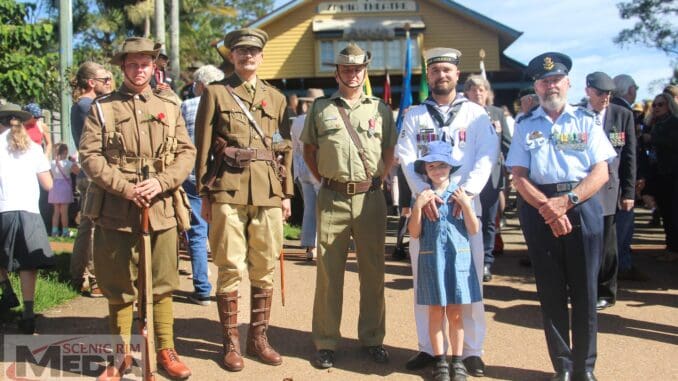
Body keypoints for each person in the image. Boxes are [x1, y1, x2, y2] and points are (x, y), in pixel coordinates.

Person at [79, 37, 195, 379]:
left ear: (154, 66)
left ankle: (165, 351)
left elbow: (186, 153)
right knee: (118, 287)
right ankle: (120, 357)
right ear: (122, 67)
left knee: (162, 284)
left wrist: (162, 182)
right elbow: (89, 157)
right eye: (132, 63)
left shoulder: (170, 106)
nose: (139, 69)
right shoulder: (102, 108)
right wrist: (126, 189)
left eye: (145, 63)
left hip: (161, 208)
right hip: (116, 208)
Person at [506, 52, 616, 381]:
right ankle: (564, 367)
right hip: (539, 206)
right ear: (536, 87)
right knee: (550, 292)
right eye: (544, 80)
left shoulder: (586, 120)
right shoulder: (525, 125)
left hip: (581, 207)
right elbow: (519, 176)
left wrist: (565, 202)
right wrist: (548, 208)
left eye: (556, 79)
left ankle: (585, 367)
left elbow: (601, 172)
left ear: (567, 83)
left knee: (585, 292)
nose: (550, 85)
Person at [194, 28, 293, 372]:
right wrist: (204, 192)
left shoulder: (277, 98)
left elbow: (285, 147)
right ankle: (231, 343)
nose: (247, 56)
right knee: (230, 265)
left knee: (265, 265)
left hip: (267, 190)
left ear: (262, 57)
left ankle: (259, 339)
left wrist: (287, 193)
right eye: (241, 51)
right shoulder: (217, 93)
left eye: (253, 52)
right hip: (226, 188)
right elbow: (203, 145)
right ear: (231, 56)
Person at [395, 47, 496, 376]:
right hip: (428, 210)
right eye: (435, 70)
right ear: (429, 75)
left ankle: (471, 351)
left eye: (447, 70)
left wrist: (465, 192)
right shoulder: (415, 116)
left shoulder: (476, 115)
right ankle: (429, 348)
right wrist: (423, 192)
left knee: (468, 283)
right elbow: (407, 157)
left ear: (457, 74)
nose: (441, 76)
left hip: (463, 207)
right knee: (426, 283)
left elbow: (486, 155)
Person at [302, 43, 396, 369]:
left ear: (364, 71)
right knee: (329, 274)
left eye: (358, 69)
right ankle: (326, 341)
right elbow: (309, 152)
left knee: (373, 274)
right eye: (346, 69)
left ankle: (372, 339)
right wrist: (326, 181)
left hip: (370, 199)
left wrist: (377, 180)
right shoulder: (321, 108)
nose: (352, 74)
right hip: (332, 198)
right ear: (337, 72)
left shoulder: (381, 110)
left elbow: (389, 151)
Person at [408, 141, 481, 381]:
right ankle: (440, 360)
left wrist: (467, 206)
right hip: (432, 262)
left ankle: (457, 361)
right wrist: (418, 207)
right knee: (435, 312)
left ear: (450, 167)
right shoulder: (422, 196)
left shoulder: (460, 194)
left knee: (457, 313)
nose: (437, 171)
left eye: (442, 165)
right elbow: (414, 232)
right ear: (425, 170)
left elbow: (474, 228)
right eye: (432, 166)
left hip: (458, 261)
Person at [583, 72, 637, 311]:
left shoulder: (622, 115)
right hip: (582, 186)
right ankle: (583, 288)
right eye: (600, 93)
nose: (605, 98)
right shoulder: (576, 114)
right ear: (588, 91)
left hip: (610, 187)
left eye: (609, 94)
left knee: (607, 244)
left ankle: (605, 291)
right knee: (582, 240)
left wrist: (629, 192)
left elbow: (629, 156)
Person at [0, 103, 55, 334]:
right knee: (28, 265)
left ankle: (7, 291)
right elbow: (48, 184)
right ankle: (29, 315)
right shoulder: (33, 148)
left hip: (3, 209)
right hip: (30, 212)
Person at [179, 64, 224, 306]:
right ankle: (227, 289)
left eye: (195, 84)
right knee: (223, 229)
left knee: (196, 231)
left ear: (201, 85)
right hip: (220, 176)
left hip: (192, 175)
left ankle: (203, 288)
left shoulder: (185, 106)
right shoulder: (227, 104)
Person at [69, 61, 111, 297]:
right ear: (91, 82)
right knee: (95, 227)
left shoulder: (81, 105)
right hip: (94, 175)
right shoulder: (89, 105)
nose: (109, 83)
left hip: (86, 173)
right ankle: (95, 279)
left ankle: (78, 275)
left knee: (87, 226)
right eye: (105, 80)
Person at [463, 74, 509, 282]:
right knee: (468, 219)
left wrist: (515, 172)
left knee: (489, 222)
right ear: (467, 93)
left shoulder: (497, 114)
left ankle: (486, 263)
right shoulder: (462, 115)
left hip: (492, 177)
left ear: (487, 93)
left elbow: (508, 144)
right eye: (474, 90)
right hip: (468, 177)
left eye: (482, 89)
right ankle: (469, 260)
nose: (478, 93)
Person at [290, 88, 324, 261]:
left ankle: (310, 245)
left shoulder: (297, 121)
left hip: (302, 168)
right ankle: (318, 246)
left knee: (309, 208)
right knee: (321, 208)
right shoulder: (319, 120)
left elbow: (294, 148)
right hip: (317, 167)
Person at [648, 92, 678, 262]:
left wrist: (652, 138)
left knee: (673, 213)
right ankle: (670, 247)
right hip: (659, 174)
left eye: (661, 104)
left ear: (669, 105)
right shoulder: (654, 123)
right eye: (655, 104)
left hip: (672, 174)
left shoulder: (674, 123)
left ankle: (674, 249)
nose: (657, 108)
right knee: (665, 212)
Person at [48, 143, 80, 237]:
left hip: (54, 188)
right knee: (64, 212)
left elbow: (50, 174)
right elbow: (78, 171)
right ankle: (65, 232)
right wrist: (75, 162)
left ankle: (54, 231)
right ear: (65, 152)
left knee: (56, 212)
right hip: (65, 188)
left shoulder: (52, 163)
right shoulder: (68, 163)